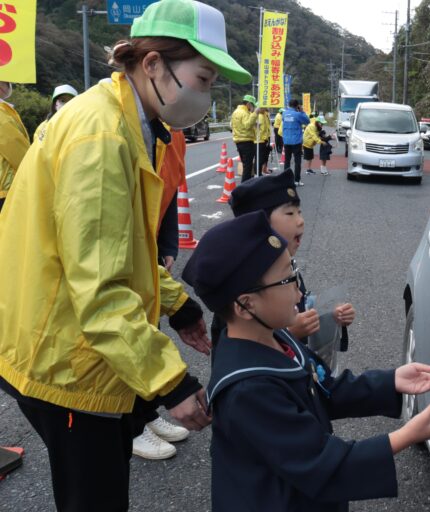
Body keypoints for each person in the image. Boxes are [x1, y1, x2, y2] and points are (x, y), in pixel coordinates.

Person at [0, 1, 251, 509]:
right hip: (62, 359)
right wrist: (171, 383)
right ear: (152, 63)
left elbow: (125, 243)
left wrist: (176, 304)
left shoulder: (124, 117)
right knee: (95, 499)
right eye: (202, 79)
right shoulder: (101, 136)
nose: (205, 97)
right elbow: (99, 287)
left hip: (66, 337)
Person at [182, 210, 430, 512]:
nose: (298, 289)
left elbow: (323, 387)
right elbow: (319, 462)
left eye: (294, 271)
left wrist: (392, 381)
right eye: (286, 280)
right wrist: (408, 435)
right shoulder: (247, 389)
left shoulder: (276, 337)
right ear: (245, 305)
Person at [210, 170, 355, 351]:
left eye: (299, 212)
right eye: (290, 213)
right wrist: (291, 334)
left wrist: (331, 316)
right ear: (258, 225)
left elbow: (300, 304)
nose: (301, 221)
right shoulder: (242, 279)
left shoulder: (283, 263)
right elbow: (238, 351)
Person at [131, 128, 195, 460]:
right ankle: (130, 424)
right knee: (126, 330)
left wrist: (167, 245)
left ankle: (146, 413)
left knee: (150, 324)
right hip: (123, 249)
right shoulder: (119, 124)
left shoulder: (175, 132)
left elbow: (168, 191)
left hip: (148, 246)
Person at [0, 81, 30, 213]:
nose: (8, 86)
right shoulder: (2, 114)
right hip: (5, 188)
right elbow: (16, 149)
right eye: (7, 83)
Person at [282, 98, 310, 186]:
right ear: (297, 105)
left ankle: (286, 180)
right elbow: (307, 121)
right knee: (297, 161)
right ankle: (297, 180)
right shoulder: (298, 114)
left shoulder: (284, 113)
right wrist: (302, 111)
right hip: (296, 141)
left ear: (289, 105)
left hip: (286, 140)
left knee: (287, 161)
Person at [231, 94, 258, 181]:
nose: (253, 107)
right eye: (252, 105)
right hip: (246, 141)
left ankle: (247, 184)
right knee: (248, 166)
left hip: (239, 141)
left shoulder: (235, 112)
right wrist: (255, 114)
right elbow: (247, 125)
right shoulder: (245, 113)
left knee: (245, 164)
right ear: (249, 104)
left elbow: (232, 125)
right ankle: (245, 185)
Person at [255, 106, 272, 176]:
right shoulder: (258, 116)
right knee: (259, 158)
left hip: (265, 139)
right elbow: (258, 129)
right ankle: (258, 173)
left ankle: (262, 170)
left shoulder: (265, 115)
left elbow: (266, 128)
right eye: (263, 108)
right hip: (259, 140)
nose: (265, 109)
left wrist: (267, 139)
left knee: (263, 157)